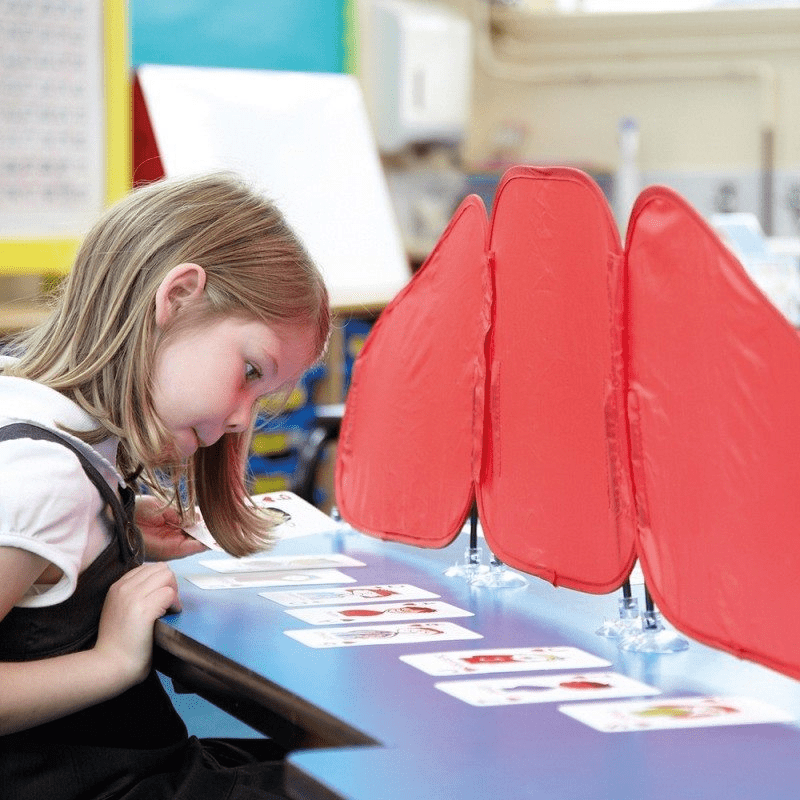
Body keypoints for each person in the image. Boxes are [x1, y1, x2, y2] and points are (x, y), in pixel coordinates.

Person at [0, 172, 331, 799]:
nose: (243, 420)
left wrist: (111, 531)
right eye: (250, 371)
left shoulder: (28, 406)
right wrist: (108, 664)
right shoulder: (44, 479)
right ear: (176, 297)